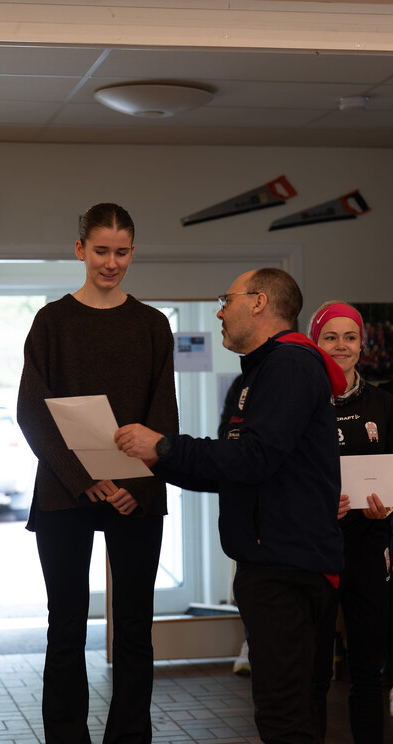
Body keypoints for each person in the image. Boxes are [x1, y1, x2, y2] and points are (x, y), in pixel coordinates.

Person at [115, 267, 346, 744]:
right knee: (287, 712)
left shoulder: (289, 366)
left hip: (287, 567)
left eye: (228, 300)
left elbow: (255, 458)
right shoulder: (257, 373)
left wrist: (165, 447)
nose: (220, 312)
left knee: (284, 716)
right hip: (271, 562)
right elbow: (231, 470)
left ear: (259, 302)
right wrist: (156, 459)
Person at [15, 203, 177, 744]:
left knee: (134, 627)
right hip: (66, 492)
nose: (111, 263)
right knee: (65, 626)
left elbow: (163, 414)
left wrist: (136, 486)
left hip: (137, 494)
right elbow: (32, 410)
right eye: (101, 251)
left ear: (133, 252)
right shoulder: (52, 322)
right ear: (80, 249)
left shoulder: (152, 325)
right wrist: (83, 478)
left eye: (122, 252)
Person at [313, 301, 393, 744]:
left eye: (350, 337)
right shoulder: (302, 402)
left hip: (369, 544)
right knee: (314, 671)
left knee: (367, 669)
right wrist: (315, 507)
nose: (341, 345)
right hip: (316, 546)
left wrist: (387, 506)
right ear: (315, 343)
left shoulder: (383, 403)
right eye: (330, 337)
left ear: (362, 345)